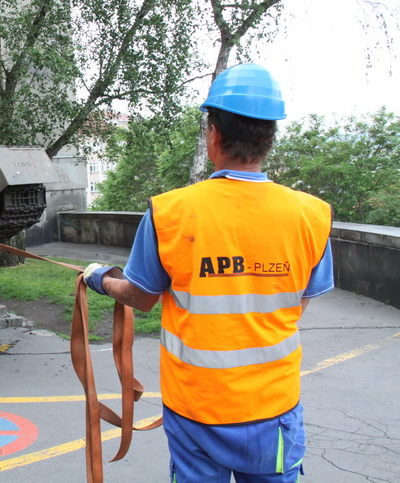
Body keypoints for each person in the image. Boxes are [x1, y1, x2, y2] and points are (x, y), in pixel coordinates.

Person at [83, 63, 334, 483]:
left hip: (196, 408)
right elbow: (295, 304)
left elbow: (141, 297)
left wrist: (98, 278)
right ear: (269, 139)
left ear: (213, 135)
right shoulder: (313, 215)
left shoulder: (170, 211)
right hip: (272, 406)